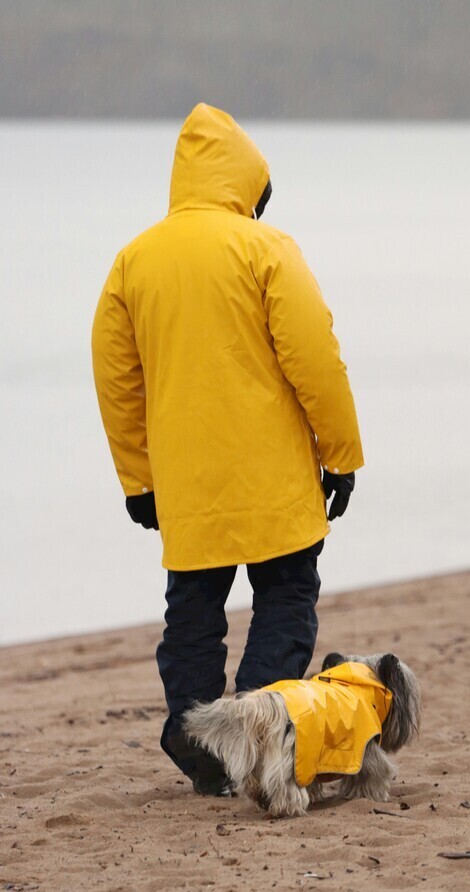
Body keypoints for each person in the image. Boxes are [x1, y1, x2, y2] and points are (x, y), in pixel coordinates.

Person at [92, 103, 364, 795]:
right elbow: (314, 359)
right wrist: (341, 454)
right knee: (285, 595)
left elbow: (117, 381)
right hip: (272, 477)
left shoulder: (134, 261)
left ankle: (198, 741)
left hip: (188, 484)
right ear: (247, 183)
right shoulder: (265, 248)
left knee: (192, 611)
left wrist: (138, 479)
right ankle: (256, 724)